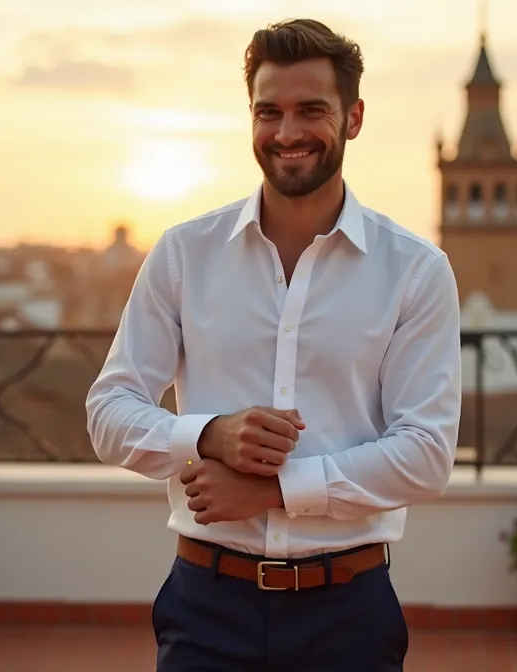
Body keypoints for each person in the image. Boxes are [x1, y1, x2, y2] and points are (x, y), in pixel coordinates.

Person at [85, 17, 462, 672]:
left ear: (353, 118)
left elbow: (426, 453)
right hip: (205, 605)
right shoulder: (183, 254)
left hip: (348, 611)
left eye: (311, 110)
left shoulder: (415, 269)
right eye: (269, 112)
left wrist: (276, 490)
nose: (287, 133)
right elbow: (109, 412)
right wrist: (209, 435)